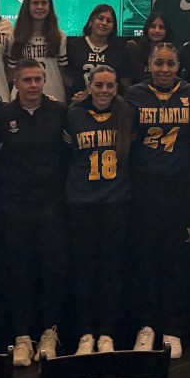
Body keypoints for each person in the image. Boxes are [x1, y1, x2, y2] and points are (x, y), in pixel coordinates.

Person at [0, 58, 69, 367]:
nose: (34, 85)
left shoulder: (60, 113)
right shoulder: (2, 116)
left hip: (51, 207)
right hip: (14, 208)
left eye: (38, 79)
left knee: (52, 271)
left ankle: (50, 333)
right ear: (16, 82)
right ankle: (22, 337)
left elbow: (67, 155)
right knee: (19, 272)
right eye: (28, 80)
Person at [127, 43, 190, 359]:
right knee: (145, 261)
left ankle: (173, 327)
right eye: (159, 63)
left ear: (178, 66)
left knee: (176, 262)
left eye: (171, 63)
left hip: (179, 189)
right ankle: (146, 326)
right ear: (149, 65)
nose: (165, 69)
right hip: (144, 188)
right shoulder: (134, 95)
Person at [64, 65, 135, 356]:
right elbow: (65, 157)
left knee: (110, 270)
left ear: (116, 87)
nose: (104, 91)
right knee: (84, 269)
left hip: (115, 204)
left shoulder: (127, 114)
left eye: (110, 85)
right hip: (81, 203)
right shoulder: (73, 115)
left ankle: (106, 332)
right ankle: (85, 332)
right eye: (99, 85)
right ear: (89, 86)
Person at [5, 0, 70, 102]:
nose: (40, 7)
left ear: (50, 6)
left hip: (54, 99)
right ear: (27, 6)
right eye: (35, 3)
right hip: (21, 101)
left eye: (44, 3)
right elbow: (11, 74)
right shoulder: (15, 37)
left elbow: (62, 73)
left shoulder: (60, 37)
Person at [66, 4, 133, 97]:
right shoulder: (74, 45)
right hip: (79, 103)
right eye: (100, 18)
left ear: (113, 26)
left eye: (109, 21)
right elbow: (66, 76)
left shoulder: (119, 50)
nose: (104, 23)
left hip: (109, 104)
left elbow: (125, 82)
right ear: (91, 20)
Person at [126, 11, 173, 84]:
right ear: (147, 28)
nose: (157, 31)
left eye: (161, 27)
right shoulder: (135, 51)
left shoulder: (172, 53)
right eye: (153, 26)